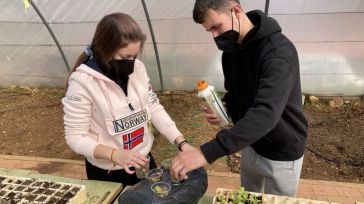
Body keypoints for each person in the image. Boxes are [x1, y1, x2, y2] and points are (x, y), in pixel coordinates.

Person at [171, 0, 308, 197]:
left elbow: (265, 113)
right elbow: (235, 92)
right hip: (250, 143)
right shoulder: (231, 51)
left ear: (235, 10)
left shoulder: (277, 52)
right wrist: (225, 110)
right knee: (248, 197)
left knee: (276, 201)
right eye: (209, 31)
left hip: (282, 151)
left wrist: (205, 153)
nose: (215, 36)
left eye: (217, 27)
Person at [62, 13, 192, 186]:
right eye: (125, 57)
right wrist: (115, 154)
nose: (131, 63)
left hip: (142, 160)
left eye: (135, 56)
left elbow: (153, 108)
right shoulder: (82, 83)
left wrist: (181, 142)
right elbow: (75, 137)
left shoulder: (138, 69)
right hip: (108, 171)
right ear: (104, 50)